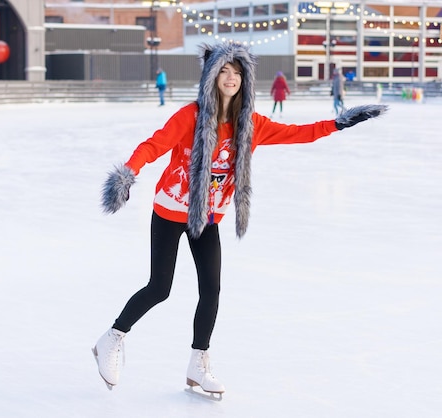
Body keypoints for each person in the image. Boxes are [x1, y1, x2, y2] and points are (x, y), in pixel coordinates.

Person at [92, 42, 387, 396]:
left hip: (207, 217)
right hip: (170, 209)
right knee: (160, 288)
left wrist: (340, 123)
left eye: (237, 72)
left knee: (212, 290)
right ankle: (111, 338)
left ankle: (197, 365)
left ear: (245, 80)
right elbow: (155, 145)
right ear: (212, 76)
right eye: (224, 71)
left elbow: (299, 133)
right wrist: (128, 173)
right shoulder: (191, 116)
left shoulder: (252, 126)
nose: (230, 77)